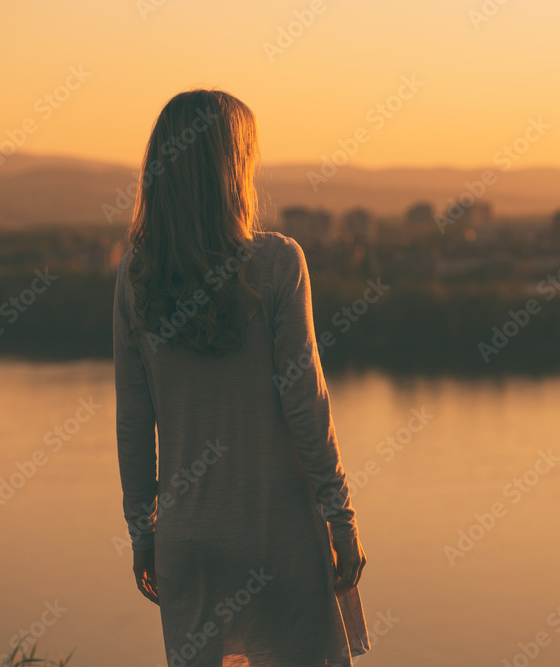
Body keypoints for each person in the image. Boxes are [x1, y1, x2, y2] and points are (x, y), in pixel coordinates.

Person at [113, 89, 369, 667]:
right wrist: (341, 517)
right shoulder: (279, 263)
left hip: (189, 543)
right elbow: (307, 408)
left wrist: (142, 533)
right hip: (277, 537)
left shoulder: (136, 274)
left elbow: (134, 421)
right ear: (236, 170)